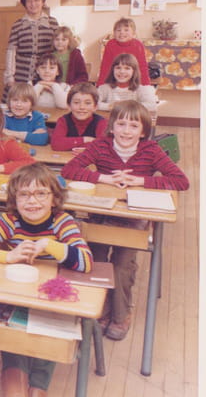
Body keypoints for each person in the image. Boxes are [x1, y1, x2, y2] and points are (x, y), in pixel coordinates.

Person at [0, 163, 93, 397]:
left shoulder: (62, 222)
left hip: (51, 300)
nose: (32, 201)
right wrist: (7, 256)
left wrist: (49, 245)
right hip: (19, 295)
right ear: (14, 199)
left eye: (41, 193)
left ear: (54, 198)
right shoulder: (11, 221)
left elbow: (85, 261)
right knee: (14, 338)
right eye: (24, 194)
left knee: (46, 345)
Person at [61, 100, 188, 340]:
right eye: (121, 124)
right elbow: (69, 170)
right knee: (96, 258)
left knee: (121, 265)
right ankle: (100, 308)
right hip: (101, 214)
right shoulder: (101, 146)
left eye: (134, 126)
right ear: (111, 127)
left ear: (143, 131)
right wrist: (104, 178)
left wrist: (140, 181)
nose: (126, 131)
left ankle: (121, 314)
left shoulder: (151, 150)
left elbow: (181, 181)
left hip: (134, 219)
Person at [4, 0, 59, 100]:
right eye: (29, 1)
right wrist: (9, 77)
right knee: (18, 103)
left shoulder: (52, 23)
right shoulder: (18, 25)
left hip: (44, 76)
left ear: (43, 1)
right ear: (24, 4)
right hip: (21, 75)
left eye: (36, 0)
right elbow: (11, 52)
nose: (33, 4)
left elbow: (58, 50)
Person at [50, 82, 107, 153]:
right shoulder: (63, 120)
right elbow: (56, 144)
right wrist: (85, 139)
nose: (82, 107)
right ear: (69, 106)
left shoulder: (101, 122)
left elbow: (103, 146)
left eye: (87, 103)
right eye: (76, 102)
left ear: (95, 107)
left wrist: (84, 148)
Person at [97, 17, 150, 86]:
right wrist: (100, 85)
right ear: (114, 33)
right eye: (118, 30)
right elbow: (105, 67)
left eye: (126, 30)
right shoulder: (110, 44)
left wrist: (146, 86)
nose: (122, 32)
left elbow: (142, 67)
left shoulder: (138, 45)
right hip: (115, 81)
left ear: (133, 33)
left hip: (133, 81)